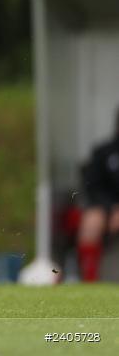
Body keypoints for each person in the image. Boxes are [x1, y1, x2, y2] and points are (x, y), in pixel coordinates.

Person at [76, 107, 119, 282]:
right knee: (91, 222)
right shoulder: (103, 152)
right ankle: (90, 279)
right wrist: (112, 208)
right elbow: (93, 187)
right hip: (106, 208)